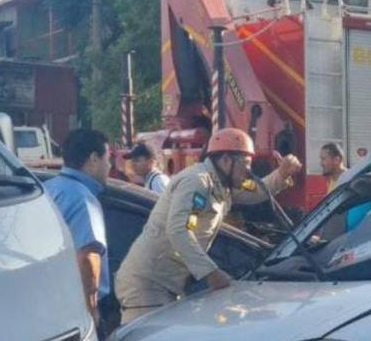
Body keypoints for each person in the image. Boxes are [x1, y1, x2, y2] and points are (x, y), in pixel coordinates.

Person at [115, 127, 301, 324]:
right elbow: (178, 230)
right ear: (227, 160)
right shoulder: (197, 182)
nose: (248, 171)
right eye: (245, 163)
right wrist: (212, 274)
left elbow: (256, 191)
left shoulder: (222, 185)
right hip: (147, 285)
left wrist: (281, 175)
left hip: (167, 285)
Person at [44, 129, 111, 326]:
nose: (109, 166)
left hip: (50, 303)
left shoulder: (49, 189)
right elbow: (88, 257)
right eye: (107, 159)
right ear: (93, 159)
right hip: (76, 309)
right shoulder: (83, 199)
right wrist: (91, 310)